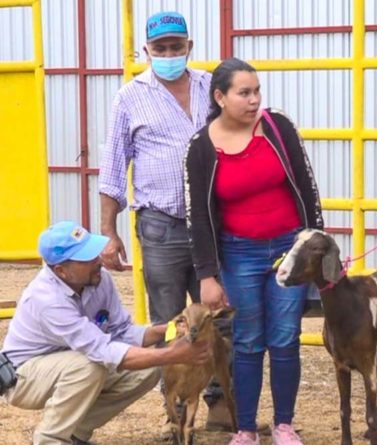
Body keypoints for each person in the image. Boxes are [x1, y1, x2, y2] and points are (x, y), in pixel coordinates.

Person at [97, 11, 232, 432]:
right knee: (170, 316)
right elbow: (113, 166)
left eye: (177, 46)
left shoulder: (213, 87)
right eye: (161, 48)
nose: (169, 54)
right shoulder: (129, 97)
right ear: (147, 52)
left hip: (214, 222)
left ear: (189, 47)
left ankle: (217, 403)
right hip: (161, 223)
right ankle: (174, 405)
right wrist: (108, 230)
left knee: (219, 313)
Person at [184, 58, 324, 445]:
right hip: (239, 254)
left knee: (284, 338)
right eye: (243, 93)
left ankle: (284, 425)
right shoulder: (200, 147)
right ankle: (244, 428)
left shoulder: (279, 128)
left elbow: (307, 188)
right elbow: (198, 215)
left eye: (256, 91)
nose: (253, 100)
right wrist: (208, 275)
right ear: (220, 97)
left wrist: (317, 246)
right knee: (247, 341)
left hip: (288, 251)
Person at [0, 221, 210, 445]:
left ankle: (76, 433)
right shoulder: (47, 299)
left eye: (94, 253)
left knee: (149, 368)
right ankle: (50, 439)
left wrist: (170, 330)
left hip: (71, 360)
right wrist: (173, 355)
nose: (97, 261)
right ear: (61, 271)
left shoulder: (98, 278)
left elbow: (121, 331)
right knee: (89, 365)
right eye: (86, 258)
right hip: (23, 377)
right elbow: (102, 351)